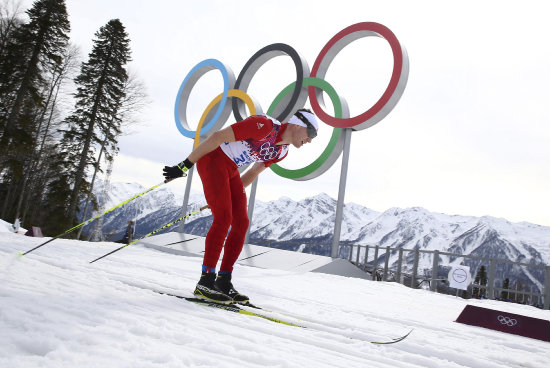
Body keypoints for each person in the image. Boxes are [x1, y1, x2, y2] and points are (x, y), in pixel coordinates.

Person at [163, 108, 319, 304]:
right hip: (213, 159)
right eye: (311, 133)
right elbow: (217, 137)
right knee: (223, 218)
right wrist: (184, 165)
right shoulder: (264, 126)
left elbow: (253, 173)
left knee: (241, 222)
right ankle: (205, 281)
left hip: (230, 169)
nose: (311, 140)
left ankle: (223, 281)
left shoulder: (282, 151)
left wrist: (225, 195)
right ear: (297, 124)